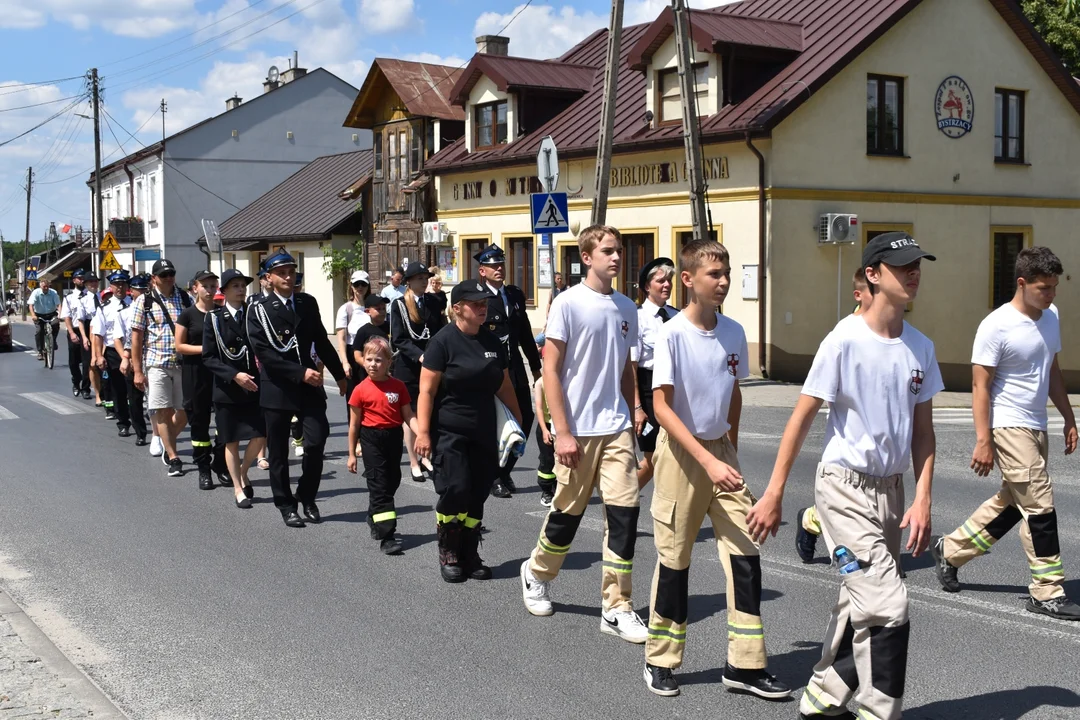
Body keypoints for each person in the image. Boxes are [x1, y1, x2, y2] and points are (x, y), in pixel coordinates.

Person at [746, 232, 940, 720]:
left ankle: (823, 695)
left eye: (918, 265)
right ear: (873, 275)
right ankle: (880, 712)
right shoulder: (843, 340)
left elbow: (924, 433)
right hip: (843, 489)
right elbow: (802, 416)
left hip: (891, 493)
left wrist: (922, 498)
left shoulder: (921, 347)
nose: (914, 272)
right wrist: (774, 493)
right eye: (902, 266)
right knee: (889, 606)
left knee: (861, 602)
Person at [641, 240, 789, 700]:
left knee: (746, 552)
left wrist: (731, 450)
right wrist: (705, 458)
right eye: (714, 275)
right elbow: (661, 407)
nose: (723, 281)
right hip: (682, 456)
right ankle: (660, 659)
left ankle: (744, 665)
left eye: (725, 273)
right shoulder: (672, 334)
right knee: (674, 558)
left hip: (721, 452)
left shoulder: (733, 332)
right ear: (689, 280)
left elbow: (735, 393)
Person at [932, 247, 1080, 620]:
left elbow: (1052, 370)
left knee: (1015, 503)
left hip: (1037, 424)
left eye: (1053, 288)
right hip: (1008, 424)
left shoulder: (1051, 316)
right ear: (1022, 283)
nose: (1051, 295)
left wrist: (1068, 416)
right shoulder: (996, 326)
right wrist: (983, 439)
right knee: (1040, 505)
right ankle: (1047, 590)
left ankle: (950, 550)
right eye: (1044, 288)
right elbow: (980, 386)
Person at [519, 225, 647, 643]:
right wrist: (564, 431)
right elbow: (550, 369)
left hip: (616, 430)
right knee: (568, 516)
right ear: (587, 257)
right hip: (578, 429)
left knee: (624, 517)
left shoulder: (628, 307)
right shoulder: (569, 303)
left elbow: (626, 367)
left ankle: (616, 605)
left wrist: (635, 409)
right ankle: (536, 573)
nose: (616, 257)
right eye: (608, 251)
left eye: (619, 251)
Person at [415, 280, 522, 582]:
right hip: (450, 432)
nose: (482, 307)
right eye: (475, 303)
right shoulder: (442, 342)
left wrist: (519, 421)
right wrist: (423, 433)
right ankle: (449, 551)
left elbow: (503, 384)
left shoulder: (491, 342)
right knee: (456, 489)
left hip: (484, 431)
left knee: (477, 494)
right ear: (457, 308)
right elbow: (426, 391)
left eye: (485, 302)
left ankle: (470, 553)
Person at [247, 251, 346, 528]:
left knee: (316, 441)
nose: (288, 276)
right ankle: (286, 504)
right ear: (268, 278)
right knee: (278, 452)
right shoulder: (259, 309)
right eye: (282, 273)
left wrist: (339, 374)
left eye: (291, 271)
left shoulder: (306, 302)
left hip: (309, 387)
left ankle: (307, 495)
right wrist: (300, 372)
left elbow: (321, 341)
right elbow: (264, 353)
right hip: (279, 387)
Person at [796, 268, 872, 563]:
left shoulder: (894, 329)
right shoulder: (845, 334)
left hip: (878, 456)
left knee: (865, 513)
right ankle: (812, 521)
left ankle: (812, 519)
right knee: (863, 565)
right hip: (847, 449)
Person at [474, 244, 542, 499]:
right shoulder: (478, 297)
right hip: (490, 371)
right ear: (483, 271)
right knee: (496, 424)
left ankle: (504, 471)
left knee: (524, 417)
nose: (499, 269)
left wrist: (536, 369)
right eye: (493, 266)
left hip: (515, 370)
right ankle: (495, 476)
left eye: (501, 264)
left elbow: (524, 334)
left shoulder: (514, 296)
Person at [347, 336, 419, 555]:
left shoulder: (398, 387)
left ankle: (373, 514)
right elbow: (354, 425)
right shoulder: (360, 389)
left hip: (393, 437)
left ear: (389, 362)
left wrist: (423, 434)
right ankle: (387, 536)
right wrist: (352, 453)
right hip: (370, 439)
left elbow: (408, 416)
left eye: (378, 360)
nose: (372, 364)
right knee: (380, 488)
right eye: (369, 359)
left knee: (392, 481)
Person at [203, 269, 266, 509]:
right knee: (231, 441)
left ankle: (241, 471)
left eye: (243, 285)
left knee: (260, 434)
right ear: (225, 291)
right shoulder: (214, 319)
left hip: (253, 385)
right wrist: (234, 375)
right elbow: (209, 357)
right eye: (236, 286)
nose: (241, 290)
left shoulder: (254, 315)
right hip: (227, 389)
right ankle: (238, 488)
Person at [131, 259, 193, 478]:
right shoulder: (144, 302)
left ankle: (167, 442)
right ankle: (174, 457)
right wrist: (137, 370)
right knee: (163, 411)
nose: (168, 278)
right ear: (154, 278)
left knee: (185, 411)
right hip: (157, 363)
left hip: (182, 363)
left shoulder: (185, 297)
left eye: (171, 274)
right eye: (163, 274)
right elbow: (136, 338)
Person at [389, 261, 447, 482]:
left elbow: (440, 331)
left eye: (426, 277)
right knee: (411, 416)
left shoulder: (432, 301)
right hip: (410, 367)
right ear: (409, 282)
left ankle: (426, 457)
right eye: (420, 278)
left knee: (430, 413)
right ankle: (414, 461)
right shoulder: (399, 305)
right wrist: (420, 355)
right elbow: (399, 339)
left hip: (432, 366)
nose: (424, 281)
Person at [632, 256, 678, 490]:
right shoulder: (637, 318)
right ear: (647, 286)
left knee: (672, 458)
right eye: (661, 280)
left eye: (669, 280)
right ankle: (619, 505)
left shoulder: (677, 316)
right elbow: (631, 367)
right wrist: (637, 407)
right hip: (648, 391)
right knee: (652, 460)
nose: (667, 284)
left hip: (674, 390)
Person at [175, 270, 223, 491]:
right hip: (195, 374)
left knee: (224, 423)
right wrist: (207, 349)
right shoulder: (187, 314)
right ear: (195, 288)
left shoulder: (222, 313)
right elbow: (180, 346)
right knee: (200, 425)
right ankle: (204, 468)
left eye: (214, 285)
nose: (210, 289)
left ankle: (220, 464)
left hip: (220, 375)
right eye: (206, 285)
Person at [116, 274, 150, 445]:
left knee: (156, 400)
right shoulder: (124, 313)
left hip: (152, 357)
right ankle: (141, 432)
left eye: (145, 289)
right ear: (132, 292)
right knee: (135, 399)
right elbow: (124, 338)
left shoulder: (154, 308)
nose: (142, 293)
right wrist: (126, 357)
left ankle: (160, 435)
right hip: (134, 359)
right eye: (139, 290)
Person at [97, 271, 133, 435]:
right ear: (110, 286)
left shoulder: (135, 304)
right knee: (118, 389)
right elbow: (99, 333)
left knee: (135, 388)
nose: (120, 287)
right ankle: (123, 422)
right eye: (116, 284)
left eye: (123, 284)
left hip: (133, 350)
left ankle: (138, 419)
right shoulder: (105, 308)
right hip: (113, 351)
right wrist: (98, 355)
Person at [533, 342, 556, 507]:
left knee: (563, 460)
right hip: (546, 426)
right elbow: (539, 408)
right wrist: (543, 430)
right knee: (547, 460)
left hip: (561, 427)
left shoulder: (563, 380)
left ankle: (560, 488)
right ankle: (547, 490)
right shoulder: (540, 383)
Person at [61, 269, 90, 397]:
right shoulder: (69, 298)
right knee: (73, 361)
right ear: (74, 280)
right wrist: (72, 333)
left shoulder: (90, 296)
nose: (82, 280)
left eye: (83, 277)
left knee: (87, 361)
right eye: (79, 278)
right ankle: (76, 382)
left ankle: (85, 388)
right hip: (74, 330)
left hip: (88, 330)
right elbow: (66, 317)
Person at [350, 295, 390, 384]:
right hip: (369, 376)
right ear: (368, 311)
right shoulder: (363, 331)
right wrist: (371, 366)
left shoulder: (391, 328)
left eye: (384, 308)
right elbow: (357, 356)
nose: (382, 312)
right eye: (378, 309)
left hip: (388, 374)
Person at [79, 274, 104, 405]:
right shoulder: (83, 300)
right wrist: (84, 337)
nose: (94, 284)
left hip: (103, 328)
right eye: (91, 282)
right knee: (92, 364)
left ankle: (106, 391)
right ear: (86, 284)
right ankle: (98, 394)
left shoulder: (103, 296)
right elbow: (81, 320)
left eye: (95, 281)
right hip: (90, 329)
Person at [28, 276, 61, 361]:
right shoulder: (36, 293)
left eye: (47, 286)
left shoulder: (53, 292)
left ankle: (53, 341)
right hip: (39, 315)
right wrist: (33, 315)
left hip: (51, 313)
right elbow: (31, 305)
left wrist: (60, 314)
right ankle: (40, 351)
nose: (46, 288)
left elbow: (58, 304)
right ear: (40, 286)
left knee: (56, 324)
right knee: (39, 331)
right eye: (44, 287)